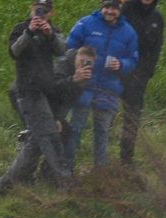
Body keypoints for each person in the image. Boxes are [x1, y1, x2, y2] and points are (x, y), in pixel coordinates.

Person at [0, 0, 72, 194]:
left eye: (45, 10)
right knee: (48, 137)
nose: (40, 13)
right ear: (31, 8)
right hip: (27, 91)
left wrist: (50, 35)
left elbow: (62, 51)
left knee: (36, 142)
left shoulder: (52, 31)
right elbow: (14, 52)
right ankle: (64, 180)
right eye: (37, 8)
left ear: (51, 12)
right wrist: (29, 32)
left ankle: (9, 184)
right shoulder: (20, 28)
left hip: (45, 91)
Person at [64, 0, 139, 169]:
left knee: (102, 131)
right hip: (83, 86)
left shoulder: (129, 32)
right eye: (107, 7)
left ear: (120, 9)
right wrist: (79, 63)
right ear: (101, 6)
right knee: (75, 129)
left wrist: (121, 64)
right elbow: (68, 49)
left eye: (114, 8)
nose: (110, 11)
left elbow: (133, 60)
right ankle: (66, 169)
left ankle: (100, 172)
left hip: (108, 89)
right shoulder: (85, 23)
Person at [119, 0, 164, 166]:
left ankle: (126, 158)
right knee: (105, 114)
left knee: (132, 116)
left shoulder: (157, 18)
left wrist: (146, 72)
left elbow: (156, 48)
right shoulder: (126, 11)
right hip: (118, 70)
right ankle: (99, 160)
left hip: (140, 75)